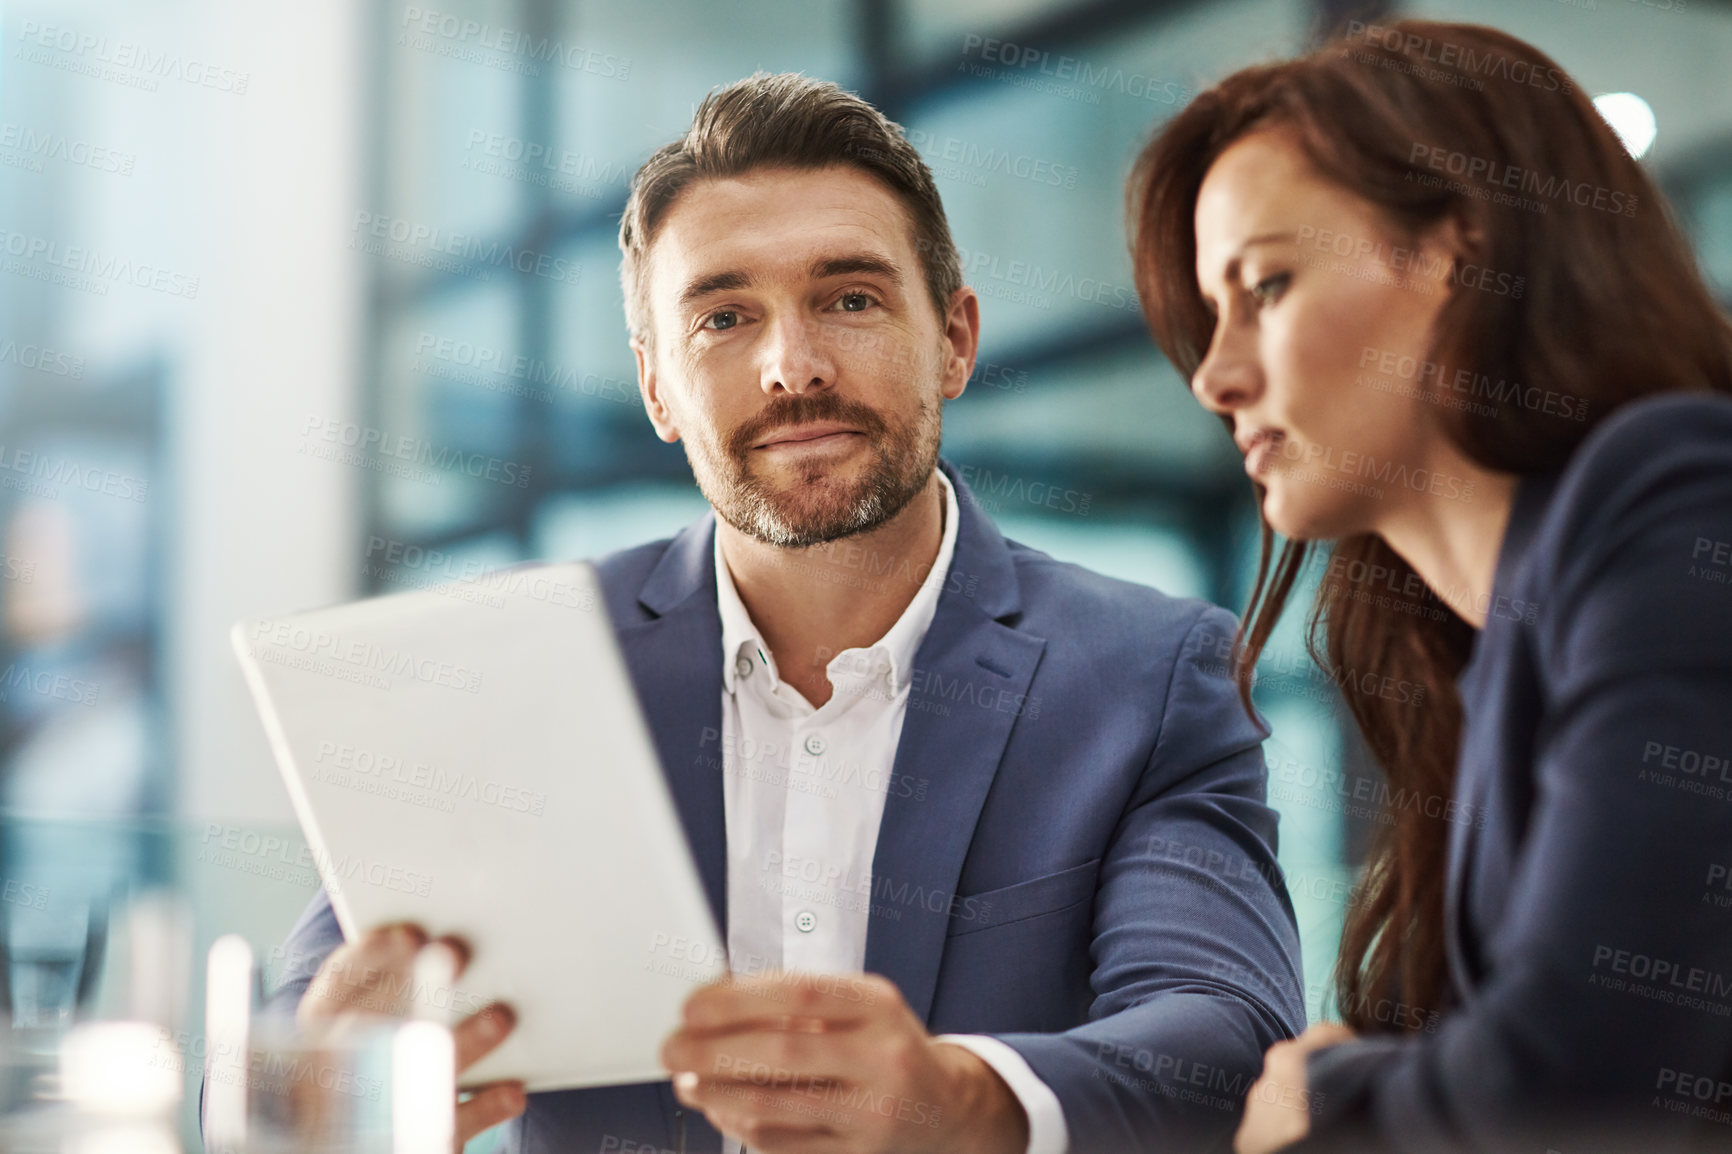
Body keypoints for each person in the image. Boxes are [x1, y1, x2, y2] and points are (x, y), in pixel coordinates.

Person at [256, 73, 1305, 1154]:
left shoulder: (1151, 675)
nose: (791, 367)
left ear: (952, 339)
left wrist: (965, 1098)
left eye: (848, 298)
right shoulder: (511, 667)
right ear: (658, 387)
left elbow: (1226, 1037)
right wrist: (316, 1083)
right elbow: (288, 1042)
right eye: (722, 316)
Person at [1128, 17, 1732, 1154]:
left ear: (1460, 249)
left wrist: (1329, 1099)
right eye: (1212, 318)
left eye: (1265, 285)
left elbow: (1577, 1077)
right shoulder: (1482, 647)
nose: (1215, 374)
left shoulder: (1675, 495)